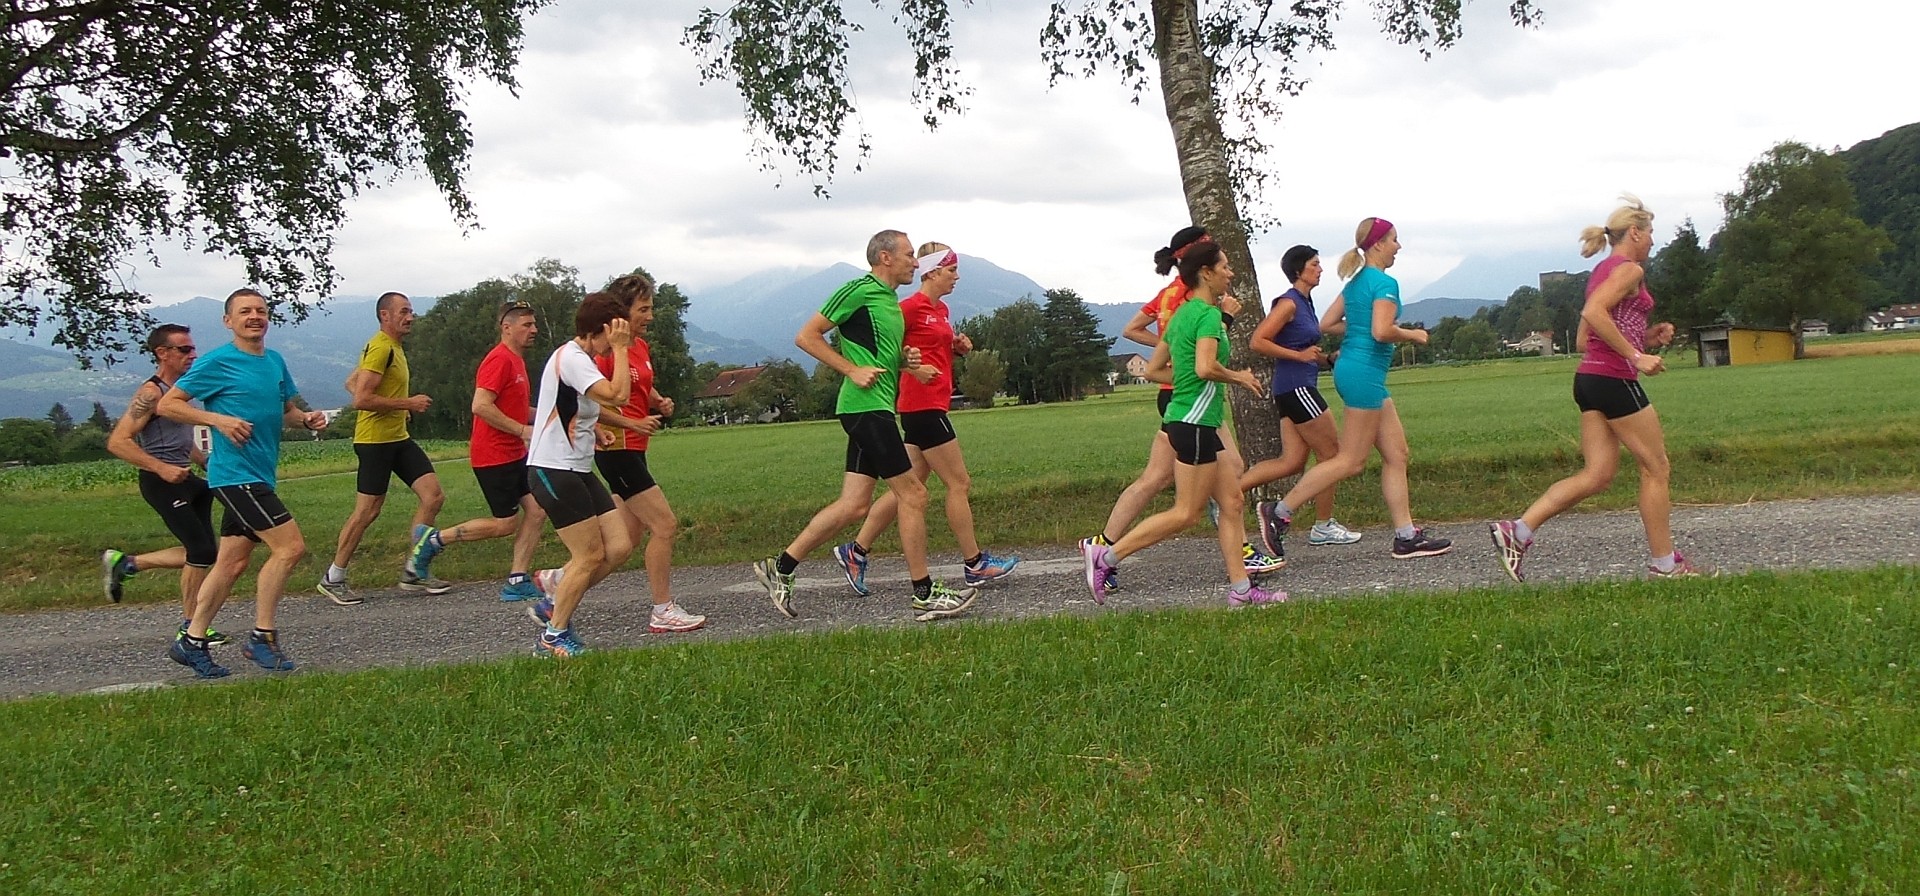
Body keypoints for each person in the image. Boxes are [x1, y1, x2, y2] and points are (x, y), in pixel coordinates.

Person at [753, 229, 977, 621]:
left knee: (854, 505)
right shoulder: (859, 289)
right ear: (885, 257)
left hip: (876, 408)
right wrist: (851, 369)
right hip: (864, 408)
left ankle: (781, 568)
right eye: (909, 254)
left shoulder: (889, 302)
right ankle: (923, 593)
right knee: (914, 495)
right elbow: (807, 336)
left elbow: (879, 354)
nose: (914, 261)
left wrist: (907, 363)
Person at [1490, 195, 1695, 580]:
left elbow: (1587, 339)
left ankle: (1517, 530)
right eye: (1650, 233)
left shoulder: (1601, 271)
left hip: (1590, 380)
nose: (1653, 241)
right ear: (1634, 232)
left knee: (1598, 474)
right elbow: (1592, 315)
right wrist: (1636, 357)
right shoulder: (1629, 269)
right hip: (1615, 380)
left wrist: (1646, 338)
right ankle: (1666, 565)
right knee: (1656, 468)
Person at [1081, 237, 1285, 607]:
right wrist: (1238, 376)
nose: (1230, 273)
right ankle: (1106, 557)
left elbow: (1156, 369)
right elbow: (1206, 367)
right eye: (1225, 267)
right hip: (1192, 422)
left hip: (1193, 418)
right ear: (1206, 273)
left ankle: (1241, 591)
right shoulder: (1207, 315)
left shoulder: (1182, 314)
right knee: (1187, 512)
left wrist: (1188, 374)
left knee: (1233, 502)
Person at [1254, 218, 1453, 560]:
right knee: (1350, 460)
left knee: (1397, 454)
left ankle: (1406, 536)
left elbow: (1326, 324)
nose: (1398, 247)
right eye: (1394, 240)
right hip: (1363, 374)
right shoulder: (1383, 283)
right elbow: (1381, 331)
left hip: (1359, 372)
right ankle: (1280, 512)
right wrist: (1411, 334)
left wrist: (1360, 329)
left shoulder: (1356, 282)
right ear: (1377, 244)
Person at [157, 288, 329, 678]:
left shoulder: (274, 362)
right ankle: (262, 638)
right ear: (228, 321)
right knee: (290, 548)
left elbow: (286, 410)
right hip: (236, 476)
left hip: (259, 472)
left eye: (261, 311)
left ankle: (191, 641)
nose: (255, 316)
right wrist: (220, 421)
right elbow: (169, 404)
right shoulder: (219, 362)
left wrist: (307, 419)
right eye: (245, 311)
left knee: (232, 563)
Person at [831, 243, 1020, 596]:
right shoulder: (908, 308)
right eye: (951, 270)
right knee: (959, 483)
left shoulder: (941, 309)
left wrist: (957, 347)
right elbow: (889, 348)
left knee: (910, 484)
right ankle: (975, 563)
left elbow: (931, 345)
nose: (957, 277)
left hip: (935, 402)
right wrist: (909, 369)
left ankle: (855, 550)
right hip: (921, 406)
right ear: (932, 272)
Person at [578, 274, 707, 633]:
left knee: (625, 542)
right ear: (622, 313)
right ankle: (663, 609)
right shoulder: (607, 353)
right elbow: (596, 396)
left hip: (635, 448)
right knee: (664, 525)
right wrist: (625, 425)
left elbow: (637, 384)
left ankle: (558, 592)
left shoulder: (639, 346)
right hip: (617, 449)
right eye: (644, 309)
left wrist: (658, 400)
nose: (650, 316)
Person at [402, 300, 551, 602]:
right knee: (505, 524)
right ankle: (434, 540)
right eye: (527, 324)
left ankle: (517, 579)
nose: (534, 330)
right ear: (506, 328)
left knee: (537, 510)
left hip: (513, 454)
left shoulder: (516, 360)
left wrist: (555, 415)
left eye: (534, 324)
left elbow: (519, 408)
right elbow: (480, 406)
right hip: (494, 455)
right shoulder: (499, 360)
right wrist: (523, 430)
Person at [521, 292, 637, 657]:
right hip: (553, 470)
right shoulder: (571, 358)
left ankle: (557, 587)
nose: (620, 339)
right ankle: (552, 635)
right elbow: (618, 394)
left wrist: (593, 430)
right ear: (602, 329)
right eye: (617, 332)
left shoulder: (581, 360)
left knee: (618, 547)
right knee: (588, 556)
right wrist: (621, 350)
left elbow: (578, 407)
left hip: (577, 468)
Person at [318, 291, 447, 604]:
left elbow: (352, 382)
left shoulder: (393, 347)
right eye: (403, 311)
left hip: (397, 438)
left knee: (433, 496)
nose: (410, 317)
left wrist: (396, 408)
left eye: (411, 311)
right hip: (374, 442)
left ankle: (414, 570)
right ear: (384, 316)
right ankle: (333, 577)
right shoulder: (380, 346)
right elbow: (360, 398)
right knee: (368, 511)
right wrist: (407, 403)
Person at [101, 324, 224, 644]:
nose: (192, 355)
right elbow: (118, 442)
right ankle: (190, 625)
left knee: (205, 552)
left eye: (193, 349)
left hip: (186, 478)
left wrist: (205, 461)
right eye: (184, 350)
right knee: (200, 550)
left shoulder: (181, 389)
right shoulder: (151, 393)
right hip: (161, 481)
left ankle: (127, 563)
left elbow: (179, 437)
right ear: (162, 353)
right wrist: (161, 468)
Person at [1244, 245, 1361, 553]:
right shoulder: (1288, 303)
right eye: (1315, 264)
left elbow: (1303, 349)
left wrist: (1326, 359)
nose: (1321, 269)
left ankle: (1228, 494)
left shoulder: (1305, 303)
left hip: (1292, 387)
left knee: (1291, 462)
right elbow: (1258, 341)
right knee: (1333, 456)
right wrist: (1298, 355)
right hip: (1297, 389)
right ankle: (1319, 525)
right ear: (1299, 270)